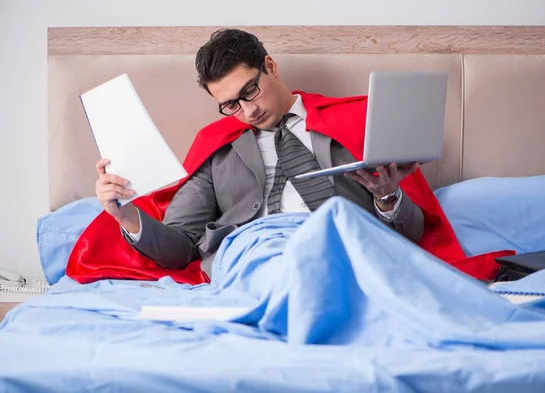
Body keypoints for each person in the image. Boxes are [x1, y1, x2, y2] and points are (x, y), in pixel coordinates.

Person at [93, 28, 424, 277]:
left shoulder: (357, 120)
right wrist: (123, 215)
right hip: (250, 257)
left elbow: (411, 236)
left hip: (338, 250)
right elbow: (180, 248)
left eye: (250, 91)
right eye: (231, 105)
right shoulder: (216, 147)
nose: (248, 112)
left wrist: (388, 198)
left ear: (270, 66)